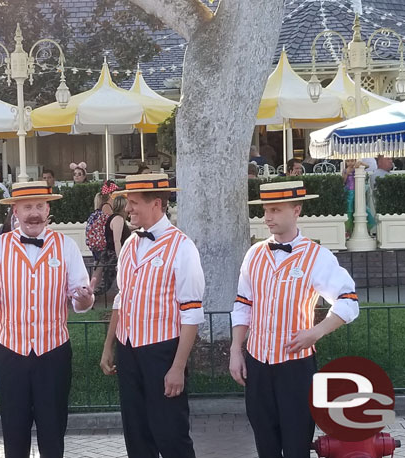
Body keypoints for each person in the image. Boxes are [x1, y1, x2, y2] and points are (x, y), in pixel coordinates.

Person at [0, 180, 96, 458]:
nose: (34, 213)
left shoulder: (66, 246)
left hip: (53, 353)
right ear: (15, 210)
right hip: (11, 354)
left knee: (53, 433)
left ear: (48, 209)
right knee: (14, 434)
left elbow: (80, 297)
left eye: (39, 206)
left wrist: (85, 300)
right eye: (27, 207)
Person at [229, 181, 359, 458]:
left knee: (297, 445)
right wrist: (235, 350)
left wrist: (316, 332)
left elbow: (349, 301)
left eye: (276, 210)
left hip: (296, 367)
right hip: (257, 364)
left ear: (296, 211)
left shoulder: (317, 257)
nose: (268, 217)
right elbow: (243, 304)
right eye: (265, 210)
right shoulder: (253, 255)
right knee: (265, 445)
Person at [100, 173, 204, 458]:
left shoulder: (182, 247)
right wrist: (110, 346)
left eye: (134, 203)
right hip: (128, 349)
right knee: (136, 434)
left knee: (171, 434)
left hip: (162, 352)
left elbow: (192, 313)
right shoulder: (131, 244)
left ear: (156, 203)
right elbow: (122, 299)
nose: (128, 208)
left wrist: (177, 367)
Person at [96, 194, 130, 295]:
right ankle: (92, 298)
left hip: (109, 253)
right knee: (106, 283)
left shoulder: (113, 218)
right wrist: (120, 258)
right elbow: (117, 240)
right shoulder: (118, 219)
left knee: (104, 281)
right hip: (113, 255)